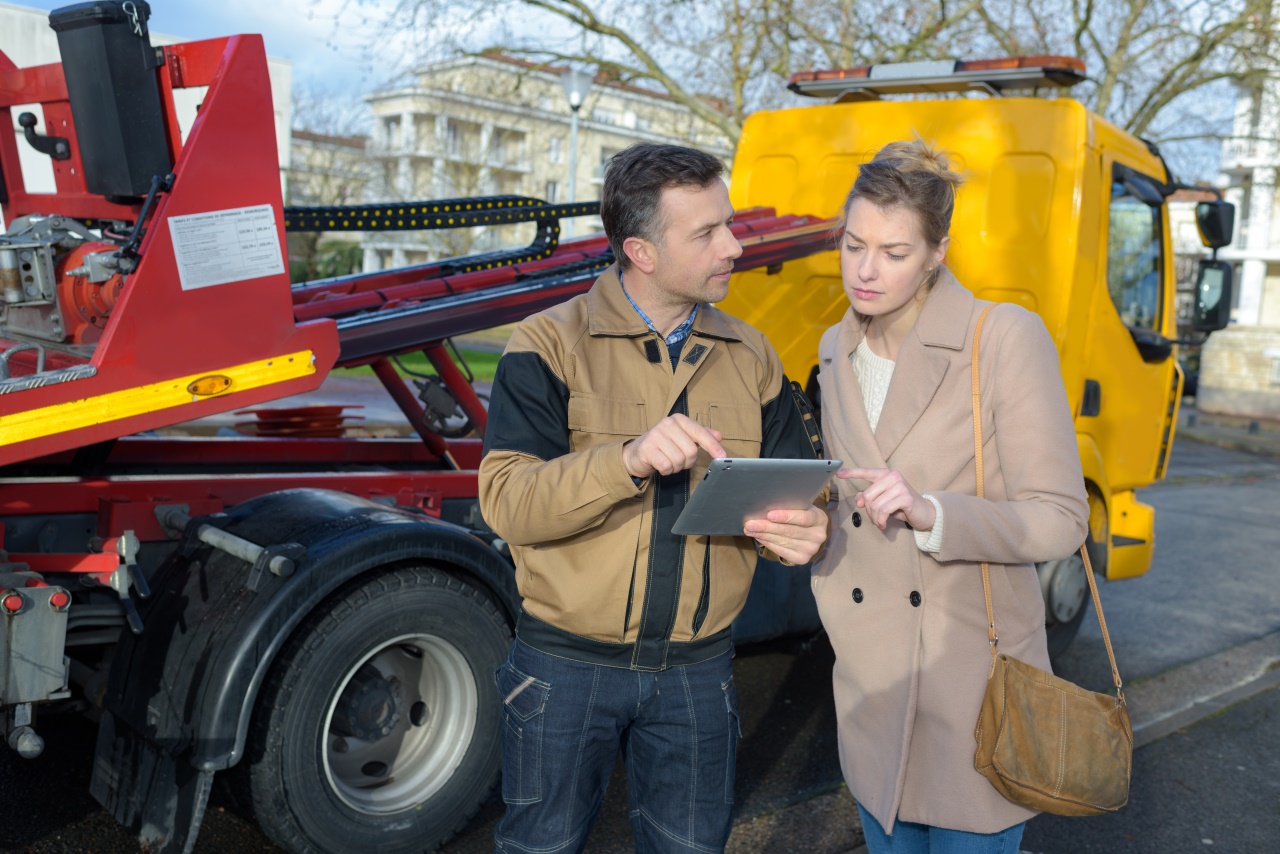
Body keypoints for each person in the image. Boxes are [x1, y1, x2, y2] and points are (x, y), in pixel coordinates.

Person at [478, 142, 829, 853]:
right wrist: (627, 458)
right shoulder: (547, 343)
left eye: (727, 224)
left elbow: (795, 492)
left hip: (699, 674)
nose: (735, 245)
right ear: (640, 250)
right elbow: (509, 503)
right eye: (706, 233)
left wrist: (805, 532)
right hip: (562, 671)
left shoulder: (755, 355)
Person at [811, 140, 1090, 853]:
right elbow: (848, 505)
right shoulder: (833, 348)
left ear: (938, 252)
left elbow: (1060, 520)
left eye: (895, 252)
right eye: (854, 244)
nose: (866, 270)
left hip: (972, 692)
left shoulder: (1000, 338)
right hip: (871, 687)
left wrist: (934, 512)